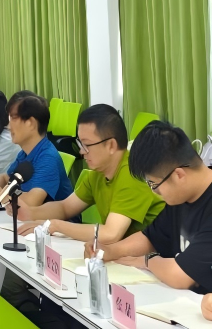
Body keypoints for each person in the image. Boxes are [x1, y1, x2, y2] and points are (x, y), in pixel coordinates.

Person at [85, 121, 212, 294]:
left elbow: (180, 275)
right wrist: (110, 251)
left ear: (178, 175)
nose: (154, 191)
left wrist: (148, 261)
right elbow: (151, 237)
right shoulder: (182, 196)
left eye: (154, 184)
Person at [13, 104, 164, 242]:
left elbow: (111, 234)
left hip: (155, 256)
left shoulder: (132, 173)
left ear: (111, 145)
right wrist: (30, 213)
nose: (81, 151)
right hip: (124, 253)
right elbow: (65, 207)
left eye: (86, 145)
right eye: (80, 144)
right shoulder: (98, 172)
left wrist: (56, 226)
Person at [0, 92, 72, 207]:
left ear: (30, 123)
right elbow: (6, 179)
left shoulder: (48, 158)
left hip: (51, 218)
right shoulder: (24, 153)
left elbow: (31, 203)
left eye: (13, 118)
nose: (9, 126)